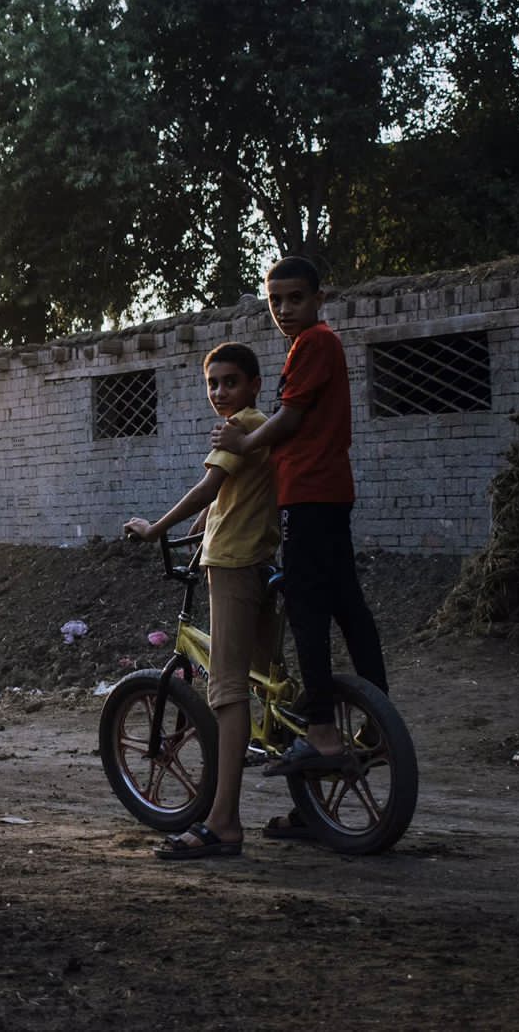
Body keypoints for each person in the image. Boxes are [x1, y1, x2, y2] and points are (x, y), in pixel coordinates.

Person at [211, 256, 389, 841]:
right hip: (329, 493)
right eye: (276, 301)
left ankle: (321, 729)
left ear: (319, 297)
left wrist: (243, 440)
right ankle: (373, 720)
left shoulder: (313, 343)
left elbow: (288, 420)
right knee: (346, 604)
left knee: (308, 610)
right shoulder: (317, 346)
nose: (285, 309)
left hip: (308, 496)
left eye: (294, 298)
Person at [124, 342, 280, 859]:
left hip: (234, 566)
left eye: (230, 381)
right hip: (258, 559)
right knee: (271, 680)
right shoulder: (261, 428)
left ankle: (223, 822)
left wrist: (155, 529)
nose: (220, 393)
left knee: (227, 692)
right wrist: (201, 531)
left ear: (255, 384)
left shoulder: (239, 428)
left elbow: (207, 488)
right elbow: (229, 498)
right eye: (212, 384)